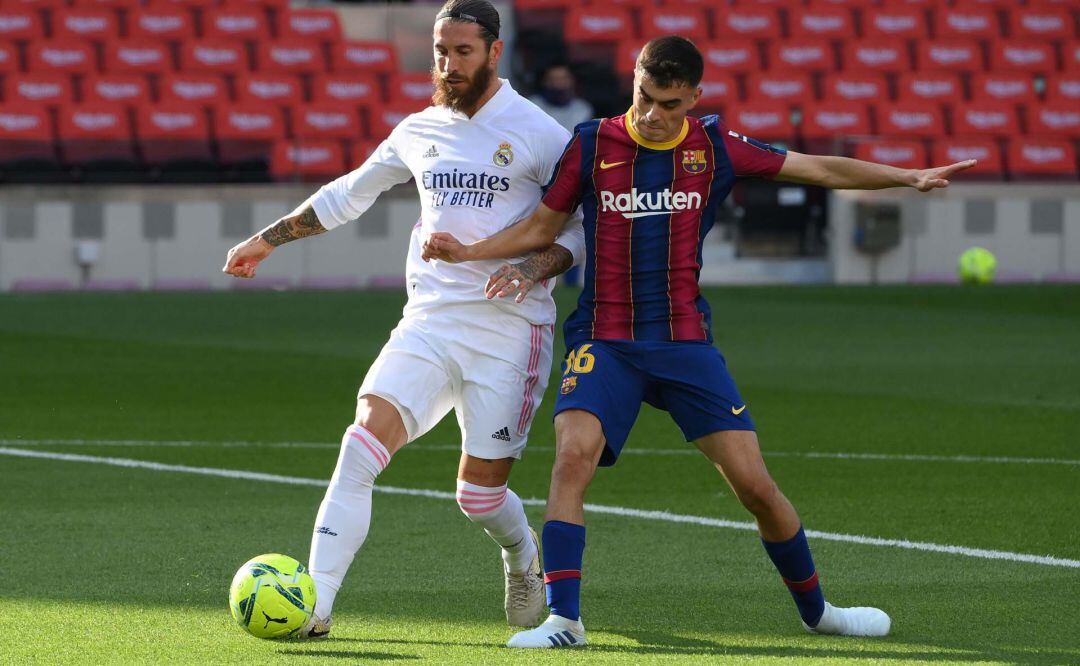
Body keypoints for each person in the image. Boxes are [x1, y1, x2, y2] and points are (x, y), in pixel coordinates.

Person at [421, 35, 976, 648]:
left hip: (684, 340)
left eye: (670, 105)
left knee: (755, 488)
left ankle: (821, 613)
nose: (654, 116)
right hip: (604, 336)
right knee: (572, 457)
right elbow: (540, 226)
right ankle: (565, 620)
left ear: (694, 100)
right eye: (646, 98)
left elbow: (815, 167)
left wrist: (910, 177)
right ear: (633, 81)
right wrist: (470, 251)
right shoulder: (591, 143)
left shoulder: (715, 146)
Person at [222, 0, 585, 638]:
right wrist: (268, 239)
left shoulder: (539, 131)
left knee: (477, 497)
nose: (446, 64)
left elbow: (583, 231)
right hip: (429, 320)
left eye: (462, 52)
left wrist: (531, 270)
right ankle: (318, 604)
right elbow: (350, 191)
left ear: (494, 52)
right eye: (440, 51)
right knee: (359, 445)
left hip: (509, 330)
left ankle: (521, 552)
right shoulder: (420, 130)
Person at [528, 64, 594, 135]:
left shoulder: (583, 109)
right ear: (544, 82)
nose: (558, 84)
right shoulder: (531, 105)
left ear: (572, 80)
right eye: (553, 79)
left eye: (563, 78)